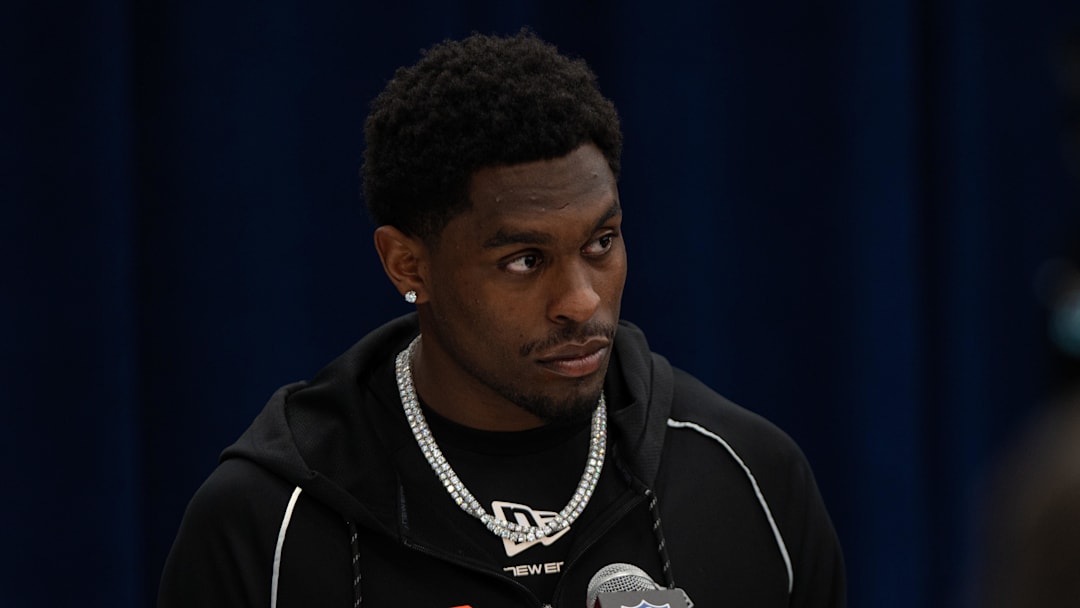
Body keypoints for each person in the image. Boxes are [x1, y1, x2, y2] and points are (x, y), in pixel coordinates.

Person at [158, 30, 846, 607]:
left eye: (600, 243)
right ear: (407, 265)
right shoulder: (264, 525)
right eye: (524, 260)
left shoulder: (748, 477)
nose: (581, 301)